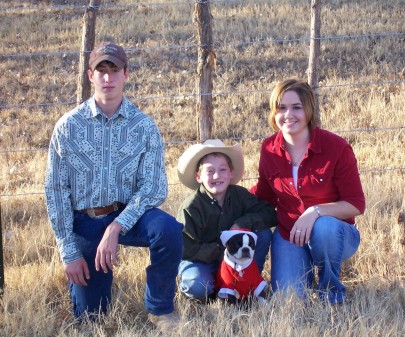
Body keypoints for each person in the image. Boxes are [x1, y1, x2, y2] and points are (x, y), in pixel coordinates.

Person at [44, 41, 183, 332]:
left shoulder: (144, 126)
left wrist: (117, 226)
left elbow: (154, 187)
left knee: (168, 229)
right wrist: (68, 252)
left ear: (126, 75)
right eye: (101, 70)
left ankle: (160, 308)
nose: (108, 78)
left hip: (129, 215)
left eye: (114, 70)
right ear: (90, 75)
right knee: (92, 318)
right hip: (85, 219)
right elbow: (55, 191)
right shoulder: (68, 127)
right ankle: (93, 291)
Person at [250, 79, 365, 305]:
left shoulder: (336, 147)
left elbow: (356, 204)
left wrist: (315, 212)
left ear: (309, 110)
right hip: (289, 234)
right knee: (288, 300)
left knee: (324, 228)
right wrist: (227, 196)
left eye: (296, 107)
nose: (288, 115)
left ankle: (330, 292)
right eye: (281, 108)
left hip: (334, 234)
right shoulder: (268, 149)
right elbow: (264, 194)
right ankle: (304, 272)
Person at [176, 139, 277, 302]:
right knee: (198, 286)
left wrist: (242, 224)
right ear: (198, 177)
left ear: (231, 173)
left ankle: (248, 281)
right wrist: (220, 251)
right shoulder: (191, 207)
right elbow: (184, 248)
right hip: (202, 261)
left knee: (263, 233)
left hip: (238, 259)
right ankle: (203, 291)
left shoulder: (240, 195)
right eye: (209, 171)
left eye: (223, 170)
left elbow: (270, 213)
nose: (217, 176)